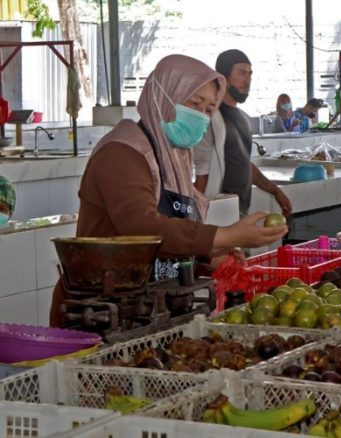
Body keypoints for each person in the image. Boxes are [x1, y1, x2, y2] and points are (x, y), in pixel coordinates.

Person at [49, 55, 287, 326]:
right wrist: (222, 236)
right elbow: (141, 228)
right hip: (98, 313)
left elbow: (172, 235)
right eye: (194, 103)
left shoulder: (175, 157)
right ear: (165, 95)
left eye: (209, 109)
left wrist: (207, 258)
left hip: (146, 309)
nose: (201, 116)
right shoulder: (122, 152)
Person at [193, 49, 292, 217]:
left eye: (250, 74)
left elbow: (244, 164)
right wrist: (194, 218)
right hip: (216, 212)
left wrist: (275, 191)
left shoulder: (244, 119)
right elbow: (203, 173)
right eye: (241, 73)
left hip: (240, 211)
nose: (248, 80)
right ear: (223, 77)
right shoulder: (211, 117)